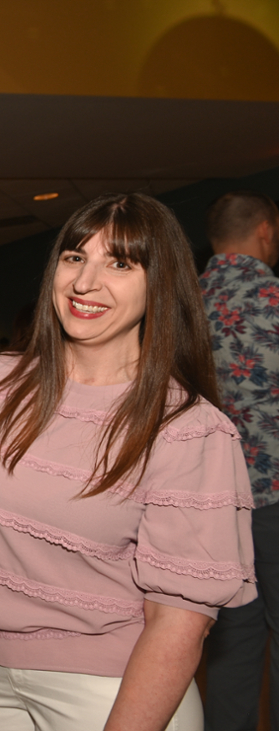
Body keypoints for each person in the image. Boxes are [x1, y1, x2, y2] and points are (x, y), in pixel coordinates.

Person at [0, 192, 256, 731]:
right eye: (75, 257)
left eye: (120, 263)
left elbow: (178, 622)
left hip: (115, 691)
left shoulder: (190, 432)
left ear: (160, 284)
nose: (84, 282)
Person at [199, 190, 279, 731]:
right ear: (266, 232)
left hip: (208, 502)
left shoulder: (175, 310)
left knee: (234, 639)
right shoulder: (274, 300)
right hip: (275, 496)